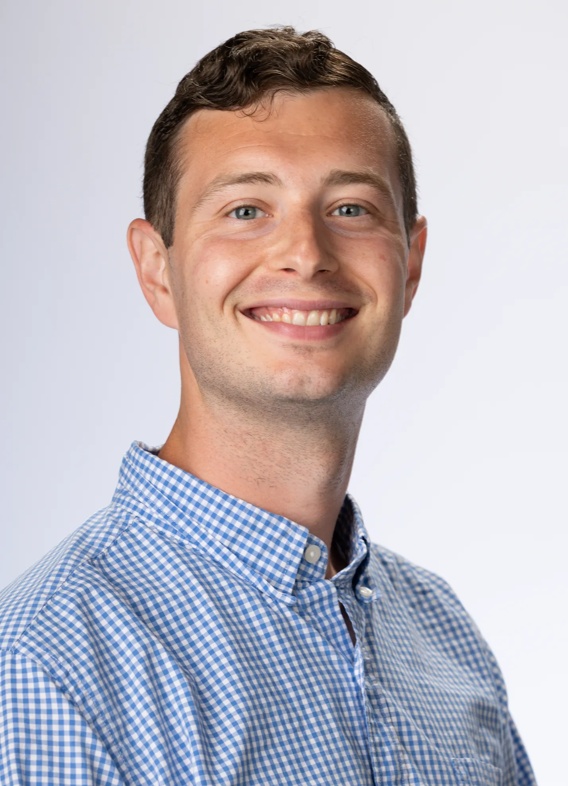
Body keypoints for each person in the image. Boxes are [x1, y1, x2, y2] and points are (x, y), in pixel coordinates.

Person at [0, 26, 536, 786]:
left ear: (410, 266)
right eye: (246, 210)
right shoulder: (48, 668)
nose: (307, 254)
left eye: (350, 208)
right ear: (157, 271)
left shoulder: (444, 638)